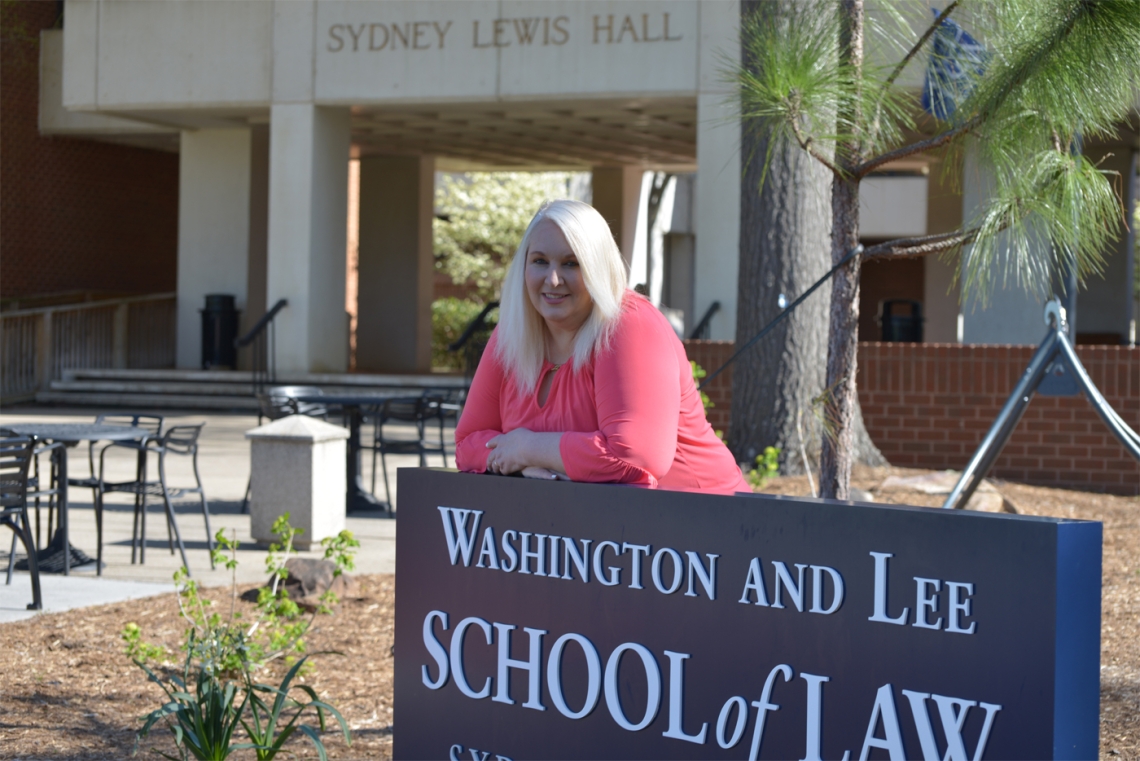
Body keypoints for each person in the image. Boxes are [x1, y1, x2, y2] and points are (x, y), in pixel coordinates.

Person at [454, 199, 750, 495]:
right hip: (598, 530)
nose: (553, 279)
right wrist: (520, 462)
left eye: (572, 264)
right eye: (540, 261)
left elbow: (637, 458)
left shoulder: (629, 324)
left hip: (704, 522)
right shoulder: (512, 332)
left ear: (597, 268)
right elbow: (467, 443)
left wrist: (528, 448)